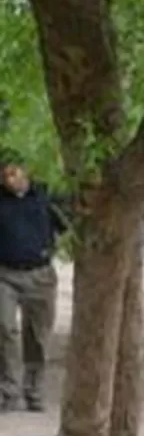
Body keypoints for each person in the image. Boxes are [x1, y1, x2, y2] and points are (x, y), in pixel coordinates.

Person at [0, 150, 66, 413]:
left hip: (40, 275)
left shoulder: (45, 196)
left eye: (14, 172)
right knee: (4, 329)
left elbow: (67, 225)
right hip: (5, 274)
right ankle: (8, 389)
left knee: (38, 336)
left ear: (27, 172)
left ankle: (34, 390)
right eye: (4, 174)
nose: (9, 178)